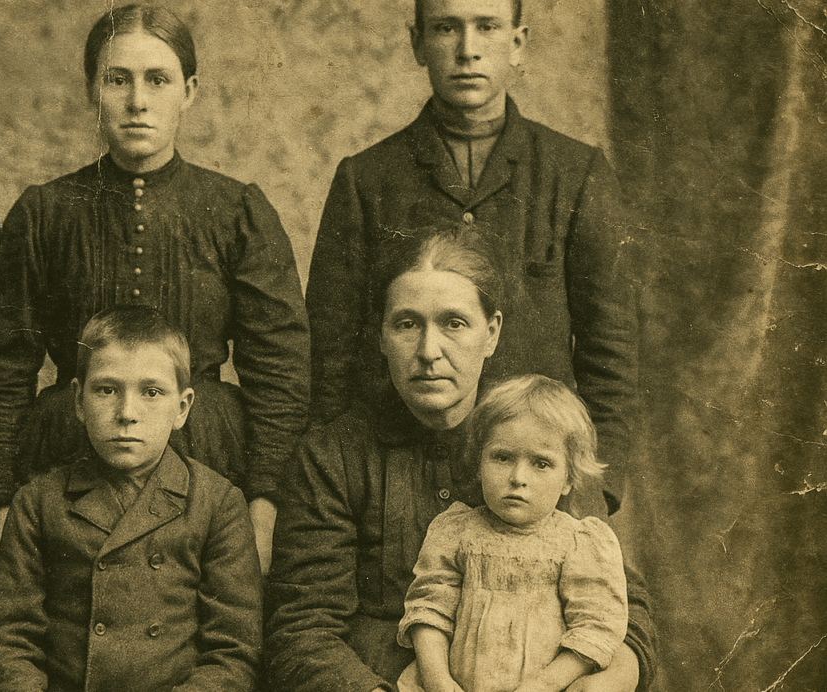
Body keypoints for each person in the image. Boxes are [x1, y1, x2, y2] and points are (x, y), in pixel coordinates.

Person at [0, 4, 309, 572]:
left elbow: (282, 375)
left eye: (158, 79)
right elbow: (0, 374)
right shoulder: (44, 213)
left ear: (189, 91)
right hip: (70, 449)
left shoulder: (235, 210)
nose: (138, 101)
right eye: (116, 79)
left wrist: (263, 507)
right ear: (90, 91)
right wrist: (0, 509)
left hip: (208, 452)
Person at [266, 233, 656, 692]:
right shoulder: (333, 456)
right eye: (407, 324)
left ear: (491, 333)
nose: (429, 351)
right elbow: (302, 628)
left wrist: (612, 674)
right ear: (381, 336)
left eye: (454, 323)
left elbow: (622, 604)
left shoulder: (544, 444)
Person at [305, 0, 636, 518]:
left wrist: (596, 488)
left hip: (538, 482)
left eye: (486, 27)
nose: (467, 50)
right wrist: (335, 485)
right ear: (417, 43)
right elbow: (331, 355)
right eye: (445, 28)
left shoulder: (576, 173)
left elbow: (609, 352)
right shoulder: (366, 179)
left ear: (518, 43)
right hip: (405, 481)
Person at [0, 306, 261, 692]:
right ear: (78, 401)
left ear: (182, 408)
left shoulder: (218, 504)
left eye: (151, 392)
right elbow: (9, 641)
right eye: (107, 390)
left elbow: (233, 653)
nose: (127, 413)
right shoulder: (39, 502)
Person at [396, 375, 628, 692]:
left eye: (541, 463)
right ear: (479, 463)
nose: (518, 477)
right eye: (502, 457)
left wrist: (547, 684)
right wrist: (438, 680)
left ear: (568, 479)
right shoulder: (456, 531)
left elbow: (597, 626)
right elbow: (428, 609)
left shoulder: (578, 542)